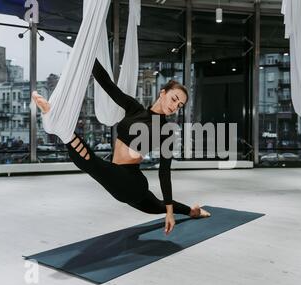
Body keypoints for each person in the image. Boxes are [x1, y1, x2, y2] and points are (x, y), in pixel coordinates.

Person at [32, 59, 211, 236]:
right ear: (162, 93)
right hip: (118, 177)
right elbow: (108, 85)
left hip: (132, 182)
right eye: (174, 99)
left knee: (92, 164)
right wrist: (89, 56)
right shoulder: (134, 108)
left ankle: (62, 127)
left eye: (180, 106)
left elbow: (164, 172)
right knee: (156, 205)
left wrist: (170, 213)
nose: (175, 107)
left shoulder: (166, 131)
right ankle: (191, 211)